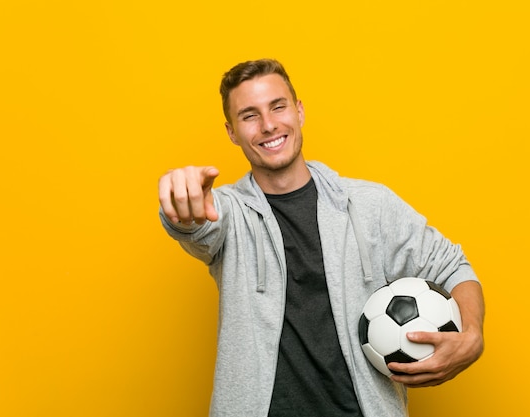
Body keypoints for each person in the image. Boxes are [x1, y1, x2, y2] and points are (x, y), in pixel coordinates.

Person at [158, 59, 484, 417]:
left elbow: (452, 266)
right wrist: (182, 204)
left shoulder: (369, 205)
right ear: (232, 132)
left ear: (298, 111)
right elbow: (198, 227)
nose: (268, 125)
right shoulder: (229, 214)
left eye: (278, 107)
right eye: (249, 115)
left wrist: (472, 336)